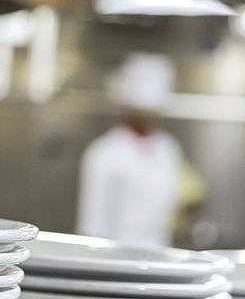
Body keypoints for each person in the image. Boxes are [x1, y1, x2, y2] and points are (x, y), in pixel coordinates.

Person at [76, 52, 199, 247]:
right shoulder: (104, 153)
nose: (149, 116)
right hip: (117, 256)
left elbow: (173, 199)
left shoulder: (168, 148)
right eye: (143, 110)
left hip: (160, 251)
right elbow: (92, 222)